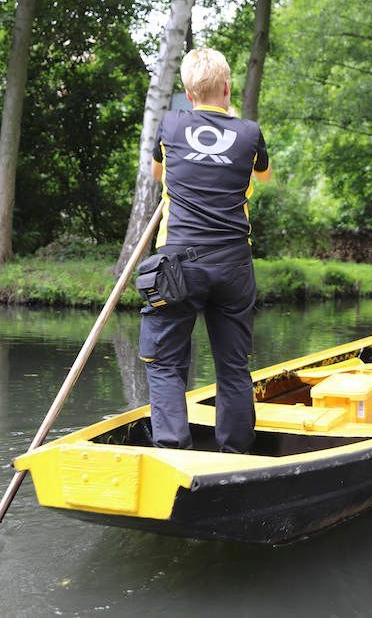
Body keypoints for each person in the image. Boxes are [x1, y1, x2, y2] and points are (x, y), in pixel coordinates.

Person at [139, 47, 271, 453]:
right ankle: (235, 453)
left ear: (188, 92)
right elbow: (262, 176)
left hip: (177, 264)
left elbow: (156, 171)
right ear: (228, 87)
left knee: (164, 365)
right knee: (233, 367)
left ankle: (174, 452)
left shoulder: (171, 124)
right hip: (233, 264)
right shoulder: (250, 133)